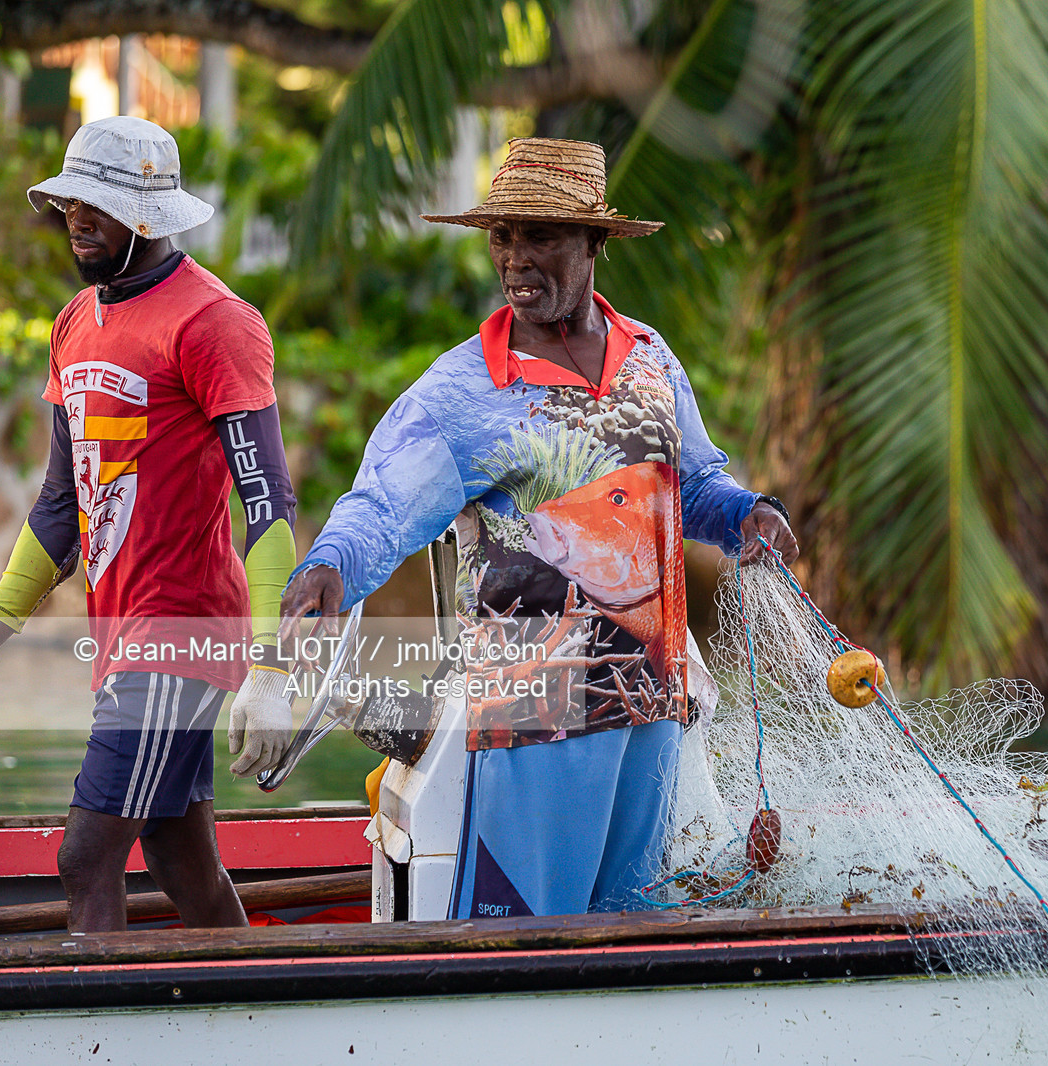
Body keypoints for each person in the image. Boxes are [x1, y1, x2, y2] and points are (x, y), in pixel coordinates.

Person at [279, 137, 797, 919]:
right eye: (503, 237)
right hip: (537, 715)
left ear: (594, 244)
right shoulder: (463, 391)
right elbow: (382, 504)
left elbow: (690, 485)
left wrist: (748, 515)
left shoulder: (650, 357)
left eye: (541, 237)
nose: (516, 259)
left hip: (650, 702)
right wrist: (329, 567)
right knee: (529, 931)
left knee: (634, 926)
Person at [0, 117, 299, 932]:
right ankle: (250, 1005)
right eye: (69, 202)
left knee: (86, 856)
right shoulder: (76, 322)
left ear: (151, 216)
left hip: (185, 630)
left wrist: (271, 668)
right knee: (176, 852)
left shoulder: (216, 321)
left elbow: (267, 503)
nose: (77, 218)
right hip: (124, 632)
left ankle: (99, 1043)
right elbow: (62, 505)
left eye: (99, 204)